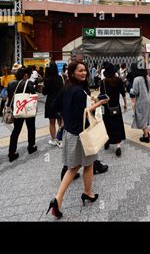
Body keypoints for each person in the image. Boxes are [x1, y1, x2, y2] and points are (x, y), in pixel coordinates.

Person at [47, 61, 109, 219]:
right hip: (82, 135)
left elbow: (54, 107)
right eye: (80, 71)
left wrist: (66, 115)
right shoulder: (79, 91)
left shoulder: (66, 88)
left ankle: (65, 198)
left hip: (69, 133)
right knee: (85, 165)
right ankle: (71, 195)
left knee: (75, 167)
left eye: (85, 70)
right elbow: (83, 112)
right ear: (72, 72)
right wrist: (99, 103)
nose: (84, 73)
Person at [6, 66, 37, 162]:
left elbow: (10, 98)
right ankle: (31, 147)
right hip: (27, 110)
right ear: (26, 75)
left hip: (17, 110)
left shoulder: (10, 84)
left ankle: (12, 152)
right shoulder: (29, 83)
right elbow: (33, 95)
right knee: (31, 128)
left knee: (16, 130)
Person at [100, 63, 127, 157]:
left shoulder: (103, 82)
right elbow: (123, 93)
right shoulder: (118, 80)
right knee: (117, 124)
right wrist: (125, 104)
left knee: (107, 124)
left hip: (106, 107)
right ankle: (118, 145)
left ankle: (107, 141)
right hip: (116, 106)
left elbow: (101, 96)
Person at [43, 63, 64, 147]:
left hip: (50, 102)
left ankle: (53, 139)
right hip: (59, 101)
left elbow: (45, 92)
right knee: (60, 121)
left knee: (52, 122)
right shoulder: (59, 78)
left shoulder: (47, 79)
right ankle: (61, 139)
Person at [131, 67, 150, 143]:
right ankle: (146, 132)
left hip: (141, 101)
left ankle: (146, 136)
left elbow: (135, 91)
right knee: (145, 117)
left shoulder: (136, 79)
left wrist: (130, 90)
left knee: (141, 118)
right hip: (149, 99)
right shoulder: (147, 77)